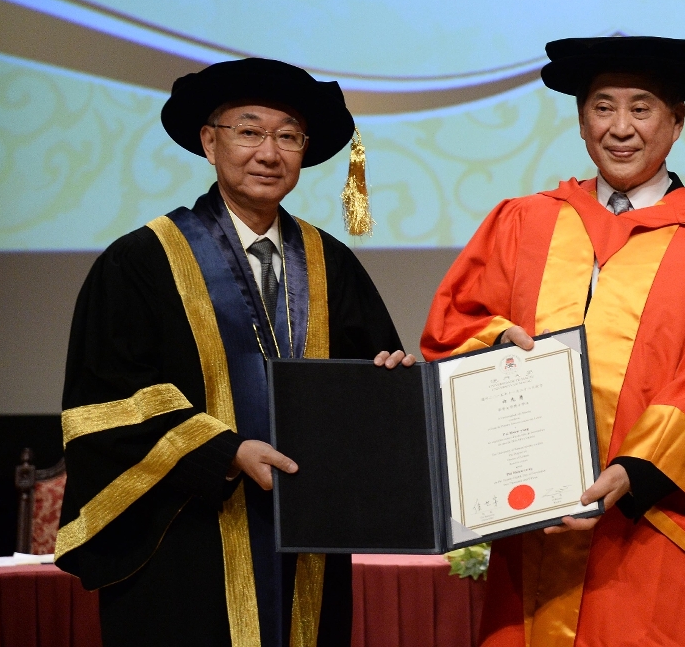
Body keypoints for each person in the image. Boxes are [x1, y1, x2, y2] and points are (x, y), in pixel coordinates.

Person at [421, 36, 685, 647]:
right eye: (602, 107)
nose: (621, 128)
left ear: (675, 123)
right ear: (581, 120)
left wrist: (632, 473)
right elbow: (453, 325)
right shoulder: (524, 221)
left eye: (642, 108)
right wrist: (492, 343)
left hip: (661, 527)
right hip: (534, 529)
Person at [55, 58, 416, 647]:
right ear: (209, 140)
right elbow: (109, 407)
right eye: (249, 131)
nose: (269, 153)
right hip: (185, 546)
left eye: (288, 136)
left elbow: (369, 385)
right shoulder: (140, 262)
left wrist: (389, 385)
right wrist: (225, 451)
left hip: (309, 543)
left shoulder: (334, 266)